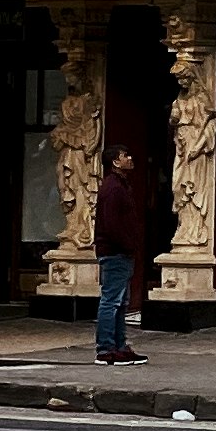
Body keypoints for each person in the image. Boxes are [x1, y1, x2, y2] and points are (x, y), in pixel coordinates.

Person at [93, 142, 149, 367]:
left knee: (120, 302)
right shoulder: (114, 188)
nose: (130, 158)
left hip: (119, 252)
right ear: (115, 161)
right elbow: (113, 224)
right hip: (116, 252)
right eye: (126, 155)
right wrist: (128, 244)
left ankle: (119, 346)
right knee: (112, 301)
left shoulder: (118, 186)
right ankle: (106, 349)